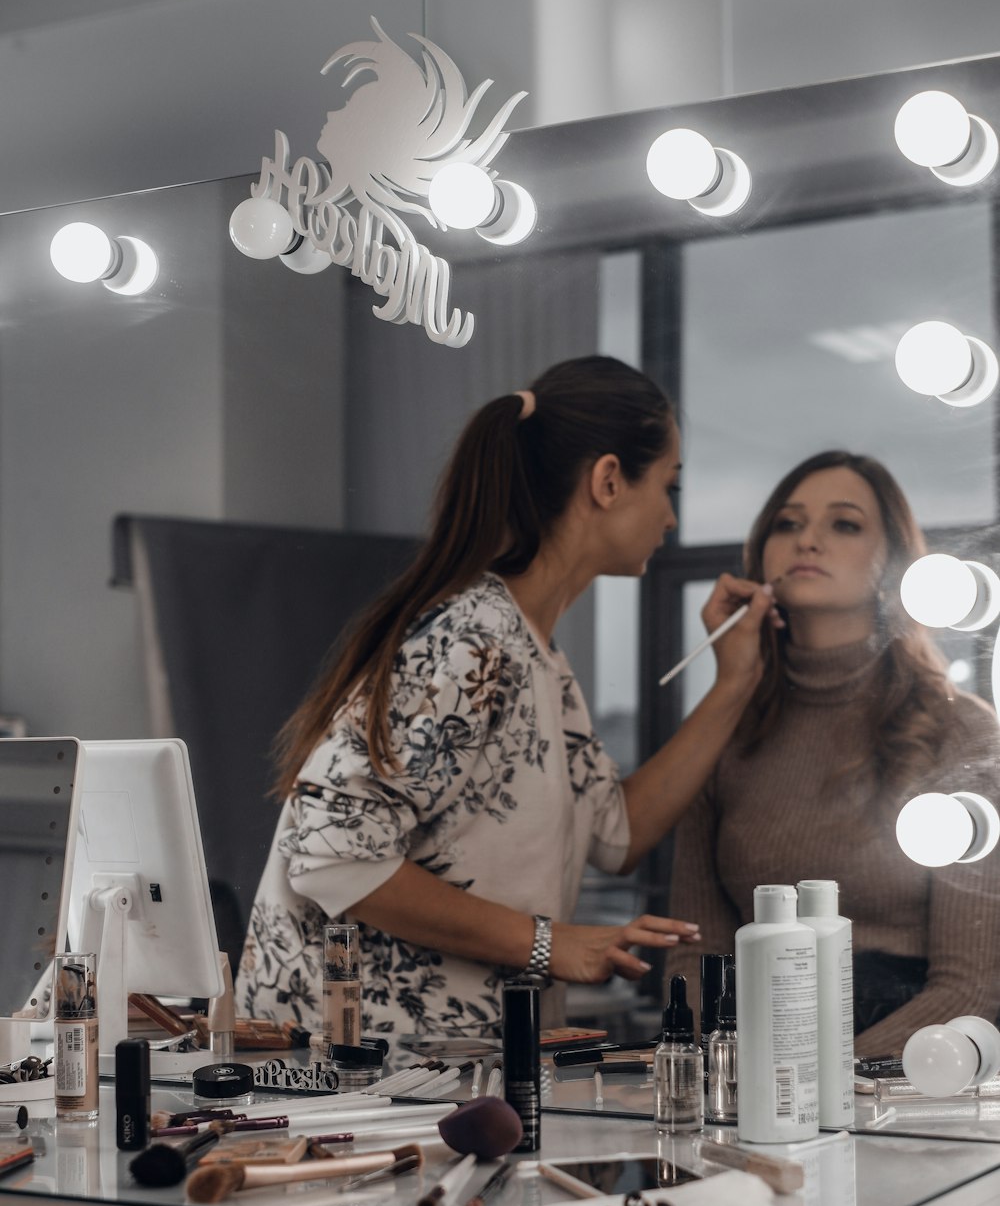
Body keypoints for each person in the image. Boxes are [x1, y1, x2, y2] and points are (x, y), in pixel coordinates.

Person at [234, 356, 778, 1039]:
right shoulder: (474, 640)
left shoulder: (536, 655)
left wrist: (735, 682)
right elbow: (333, 856)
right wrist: (551, 943)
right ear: (609, 481)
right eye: (668, 486)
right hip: (368, 1080)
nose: (671, 516)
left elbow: (616, 835)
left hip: (451, 1074)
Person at [668, 450, 1000, 1057]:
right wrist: (725, 1074)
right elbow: (695, 957)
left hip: (901, 1068)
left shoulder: (963, 731)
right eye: (788, 524)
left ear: (892, 561)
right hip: (743, 1064)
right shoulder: (720, 732)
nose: (809, 540)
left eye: (844, 524)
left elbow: (971, 985)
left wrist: (828, 1085)